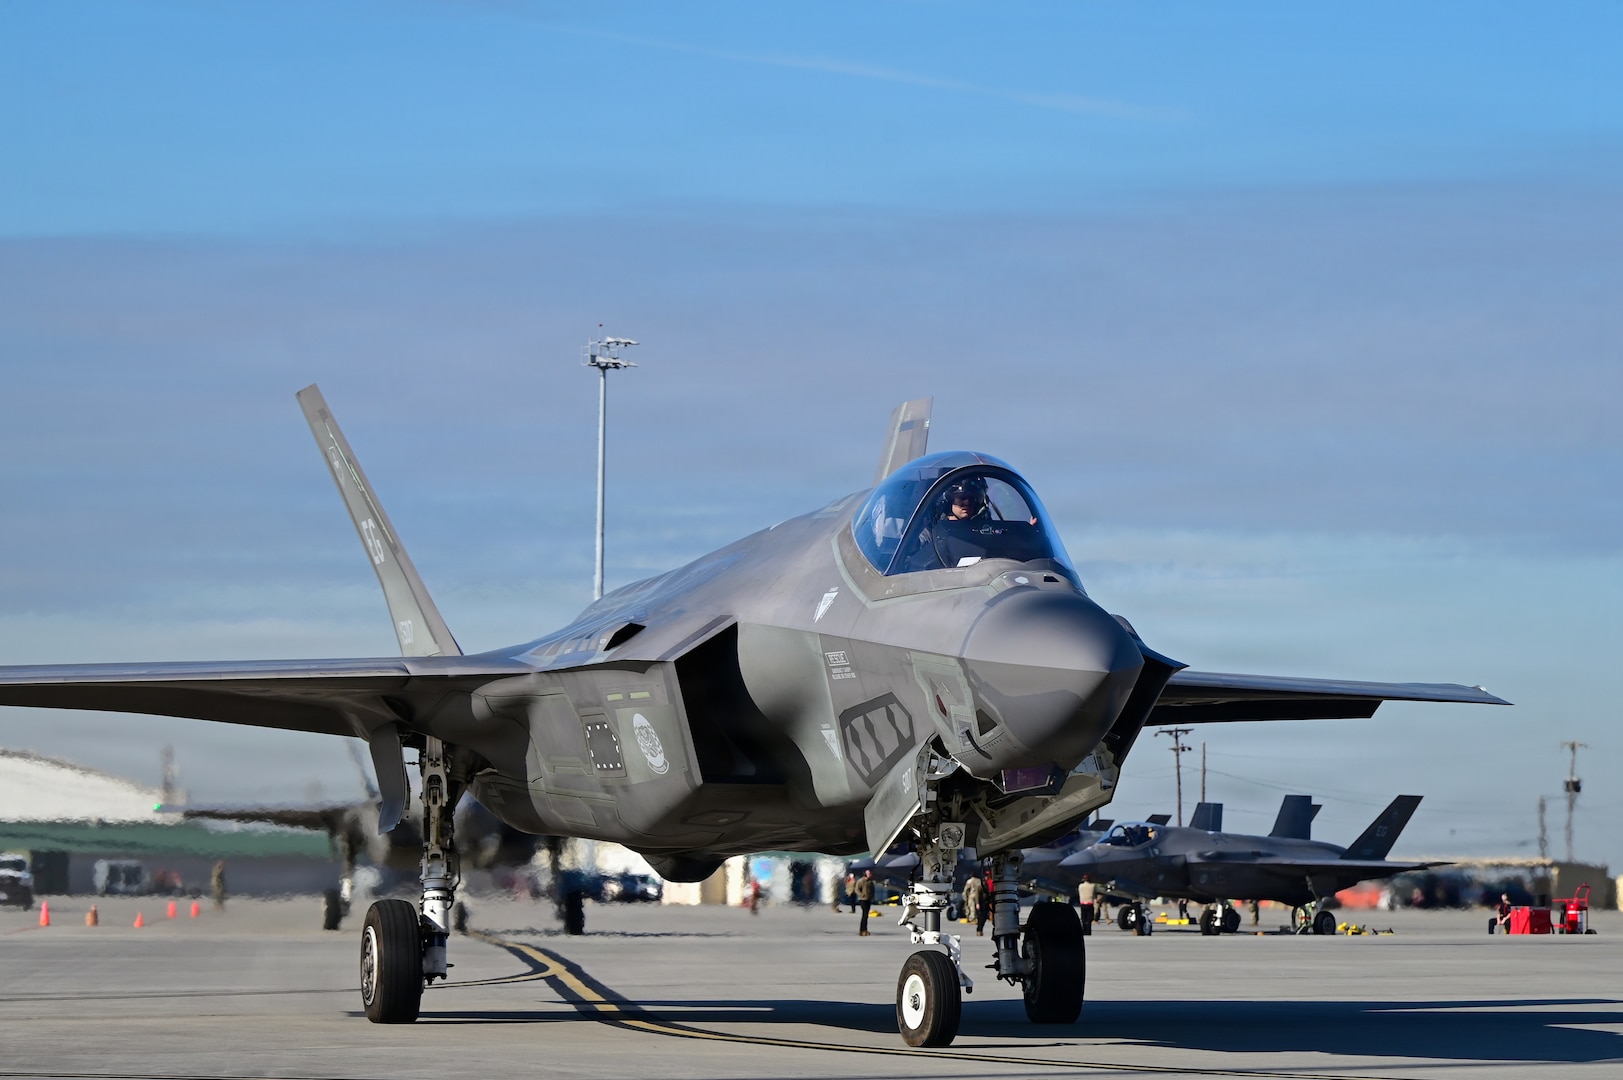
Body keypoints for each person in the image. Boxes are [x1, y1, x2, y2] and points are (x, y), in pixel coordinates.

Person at [854, 870, 876, 936]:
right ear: (865, 874)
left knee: (866, 915)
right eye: (869, 874)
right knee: (865, 914)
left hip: (868, 899)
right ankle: (862, 930)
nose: (870, 875)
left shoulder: (870, 882)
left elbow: (872, 890)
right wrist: (861, 895)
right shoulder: (861, 881)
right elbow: (857, 889)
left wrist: (872, 896)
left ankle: (865, 929)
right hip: (862, 900)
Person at [975, 871, 994, 937]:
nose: (987, 877)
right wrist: (977, 903)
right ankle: (979, 931)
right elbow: (977, 895)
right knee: (982, 917)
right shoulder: (980, 885)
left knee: (990, 915)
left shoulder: (989, 883)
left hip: (988, 901)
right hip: (982, 902)